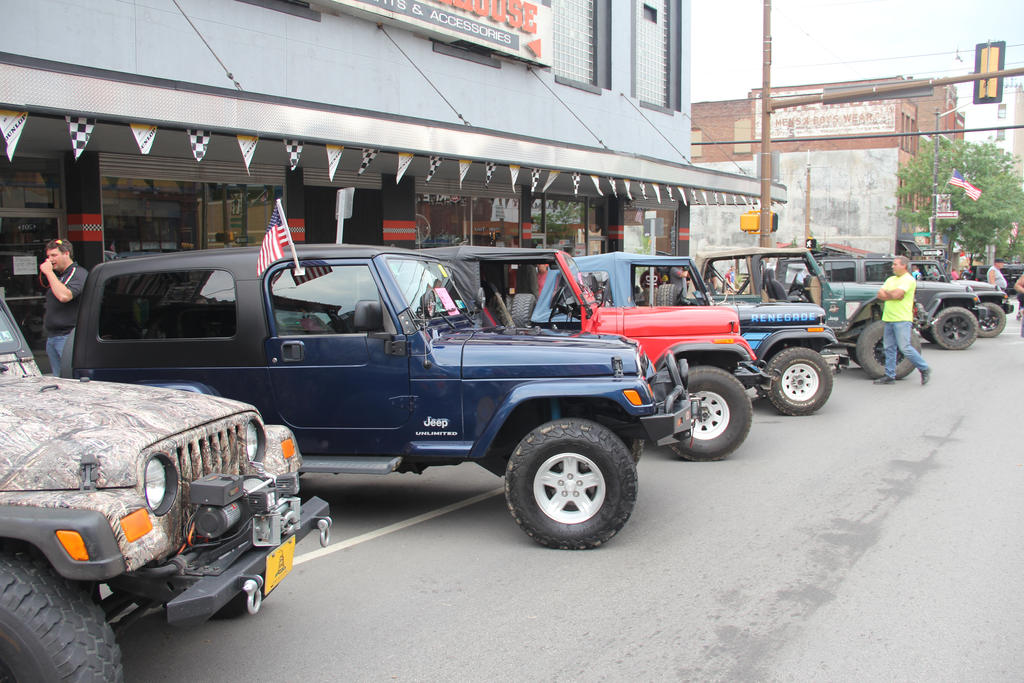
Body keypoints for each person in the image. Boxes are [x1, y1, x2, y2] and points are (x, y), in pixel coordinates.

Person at [874, 255, 930, 385]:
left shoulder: (908, 280)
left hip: (902, 318)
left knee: (905, 347)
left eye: (895, 264)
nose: (892, 267)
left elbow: (897, 294)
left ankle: (924, 368)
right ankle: (889, 375)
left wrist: (890, 295)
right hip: (888, 318)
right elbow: (880, 294)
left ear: (903, 266)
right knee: (889, 348)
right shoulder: (890, 279)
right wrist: (892, 295)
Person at [39, 239, 88, 374]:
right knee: (58, 377)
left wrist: (49, 273)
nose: (50, 260)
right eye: (48, 256)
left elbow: (65, 296)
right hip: (53, 336)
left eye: (54, 255)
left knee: (69, 377)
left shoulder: (78, 273)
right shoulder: (61, 277)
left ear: (66, 254)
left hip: (67, 336)